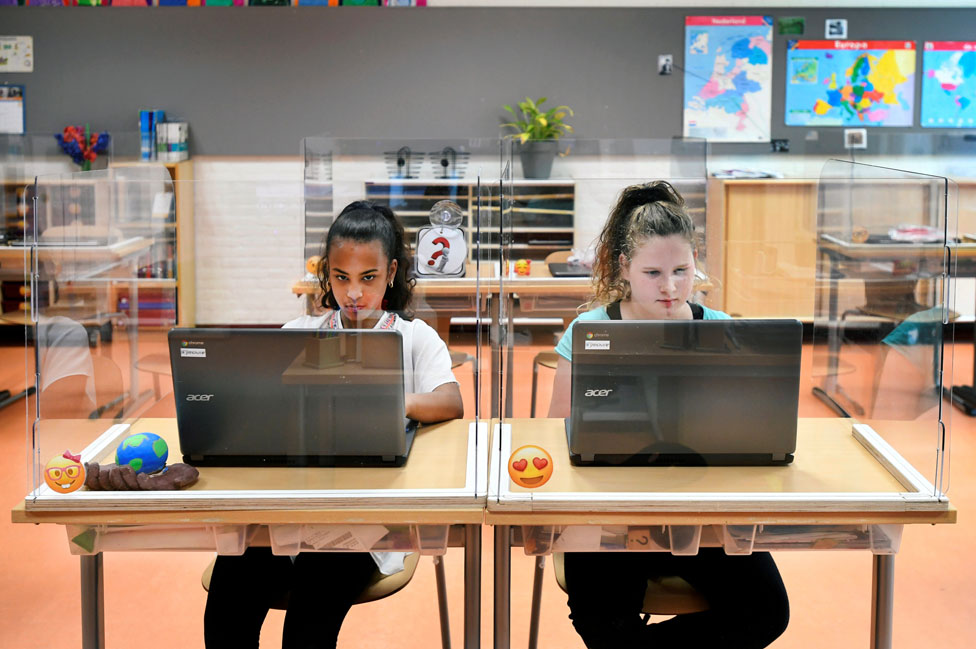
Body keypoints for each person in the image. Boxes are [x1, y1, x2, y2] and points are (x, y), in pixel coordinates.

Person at [204, 201, 463, 649]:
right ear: (328, 273)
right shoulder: (300, 330)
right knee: (230, 598)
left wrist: (385, 402)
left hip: (365, 519)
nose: (354, 294)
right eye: (341, 278)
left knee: (309, 620)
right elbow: (260, 399)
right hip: (291, 509)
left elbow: (450, 401)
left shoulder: (414, 336)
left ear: (392, 272)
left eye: (368, 278)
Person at [548, 181, 790, 649]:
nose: (671, 286)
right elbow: (555, 432)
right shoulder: (590, 330)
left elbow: (754, 430)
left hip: (703, 516)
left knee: (766, 612)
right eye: (653, 272)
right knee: (601, 621)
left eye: (682, 269)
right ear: (625, 267)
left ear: (696, 260)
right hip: (608, 515)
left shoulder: (722, 330)